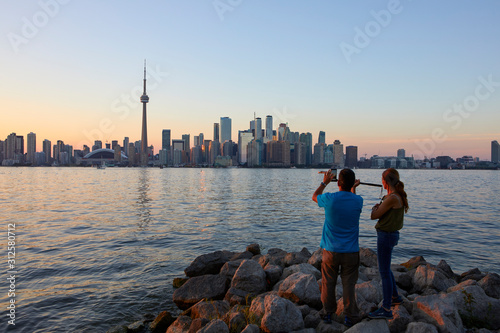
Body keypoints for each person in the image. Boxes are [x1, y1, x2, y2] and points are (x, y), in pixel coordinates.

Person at [312, 168, 362, 327]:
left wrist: (324, 182)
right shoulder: (358, 200)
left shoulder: (329, 199)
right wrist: (353, 188)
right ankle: (349, 316)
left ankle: (327, 313)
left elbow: (314, 197)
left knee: (328, 283)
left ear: (338, 182)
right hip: (351, 252)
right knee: (349, 285)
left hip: (331, 251)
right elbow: (351, 198)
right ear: (351, 184)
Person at [368, 168, 409, 319]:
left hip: (386, 236)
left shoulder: (392, 198)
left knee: (384, 272)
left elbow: (374, 215)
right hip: (390, 235)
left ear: (385, 182)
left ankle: (386, 308)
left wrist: (375, 207)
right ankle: (395, 297)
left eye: (382, 180)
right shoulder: (395, 196)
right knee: (386, 268)